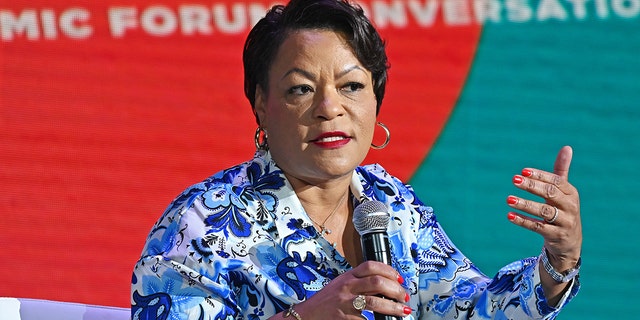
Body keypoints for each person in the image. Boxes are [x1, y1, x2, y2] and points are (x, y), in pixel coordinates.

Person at [130, 0, 582, 319]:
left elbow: (464, 308)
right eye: (301, 89)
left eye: (351, 86)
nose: (330, 108)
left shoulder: (388, 203)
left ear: (375, 101)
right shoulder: (202, 222)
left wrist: (556, 265)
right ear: (262, 104)